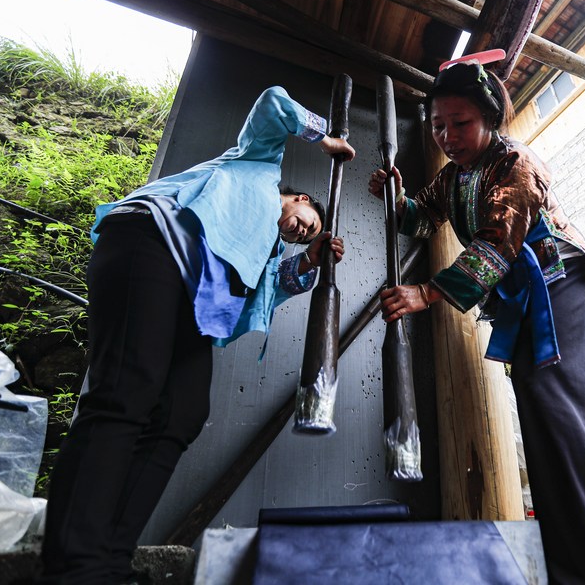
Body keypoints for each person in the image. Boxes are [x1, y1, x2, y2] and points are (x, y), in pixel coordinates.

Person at [40, 86, 355, 584]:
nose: (302, 231)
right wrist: (324, 137)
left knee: (182, 414)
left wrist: (310, 261)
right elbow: (272, 102)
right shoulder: (258, 163)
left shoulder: (264, 251)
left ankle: (110, 560)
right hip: (150, 242)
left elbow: (264, 295)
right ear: (298, 197)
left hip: (187, 297)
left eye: (307, 236)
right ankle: (73, 565)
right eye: (307, 222)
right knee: (125, 394)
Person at [368, 55, 585, 584]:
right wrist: (395, 198)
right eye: (438, 126)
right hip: (521, 296)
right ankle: (571, 569)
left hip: (558, 281)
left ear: (489, 117)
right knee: (539, 417)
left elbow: (498, 245)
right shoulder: (454, 177)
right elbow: (422, 219)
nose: (447, 137)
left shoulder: (516, 163)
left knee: (561, 414)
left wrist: (425, 293)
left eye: (460, 123)